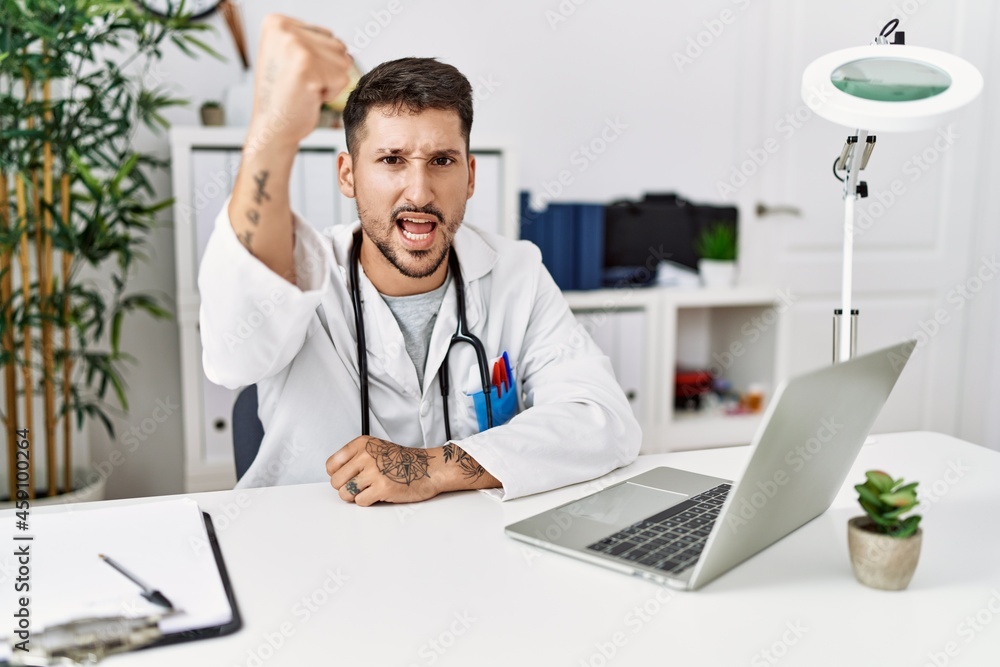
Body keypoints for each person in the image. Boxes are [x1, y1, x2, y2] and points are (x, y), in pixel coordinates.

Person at [198, 14, 641, 505]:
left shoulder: (516, 272)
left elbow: (603, 419)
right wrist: (273, 129)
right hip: (309, 551)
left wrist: (434, 467)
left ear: (470, 176)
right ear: (347, 175)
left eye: (442, 161)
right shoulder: (304, 274)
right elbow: (230, 359)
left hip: (470, 551)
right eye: (391, 160)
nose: (419, 191)